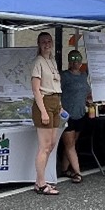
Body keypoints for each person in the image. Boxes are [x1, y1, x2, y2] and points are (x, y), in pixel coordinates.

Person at [30, 32, 63, 195]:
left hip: (55, 102)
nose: (47, 44)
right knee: (44, 146)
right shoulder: (38, 62)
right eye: (43, 42)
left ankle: (39, 180)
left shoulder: (52, 61)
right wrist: (43, 111)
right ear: (39, 44)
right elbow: (36, 89)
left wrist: (61, 106)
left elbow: (55, 85)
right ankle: (41, 184)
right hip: (44, 103)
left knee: (51, 145)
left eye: (49, 41)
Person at [60, 49, 92, 184]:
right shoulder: (64, 76)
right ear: (69, 62)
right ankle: (77, 172)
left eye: (78, 61)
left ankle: (64, 169)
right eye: (73, 61)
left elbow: (87, 92)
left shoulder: (84, 76)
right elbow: (57, 92)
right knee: (70, 145)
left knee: (72, 143)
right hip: (67, 114)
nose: (75, 63)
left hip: (80, 113)